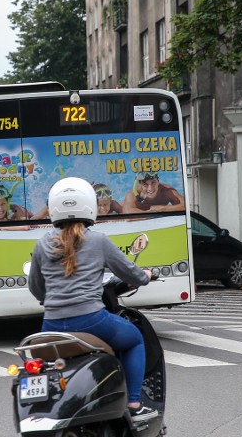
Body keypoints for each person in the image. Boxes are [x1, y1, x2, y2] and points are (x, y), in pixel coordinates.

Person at [27, 177, 158, 422]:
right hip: (91, 320)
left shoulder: (42, 243)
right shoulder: (98, 240)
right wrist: (146, 276)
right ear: (89, 205)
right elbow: (132, 274)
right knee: (134, 340)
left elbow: (36, 289)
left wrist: (52, 299)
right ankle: (134, 403)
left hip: (51, 325)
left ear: (54, 207)